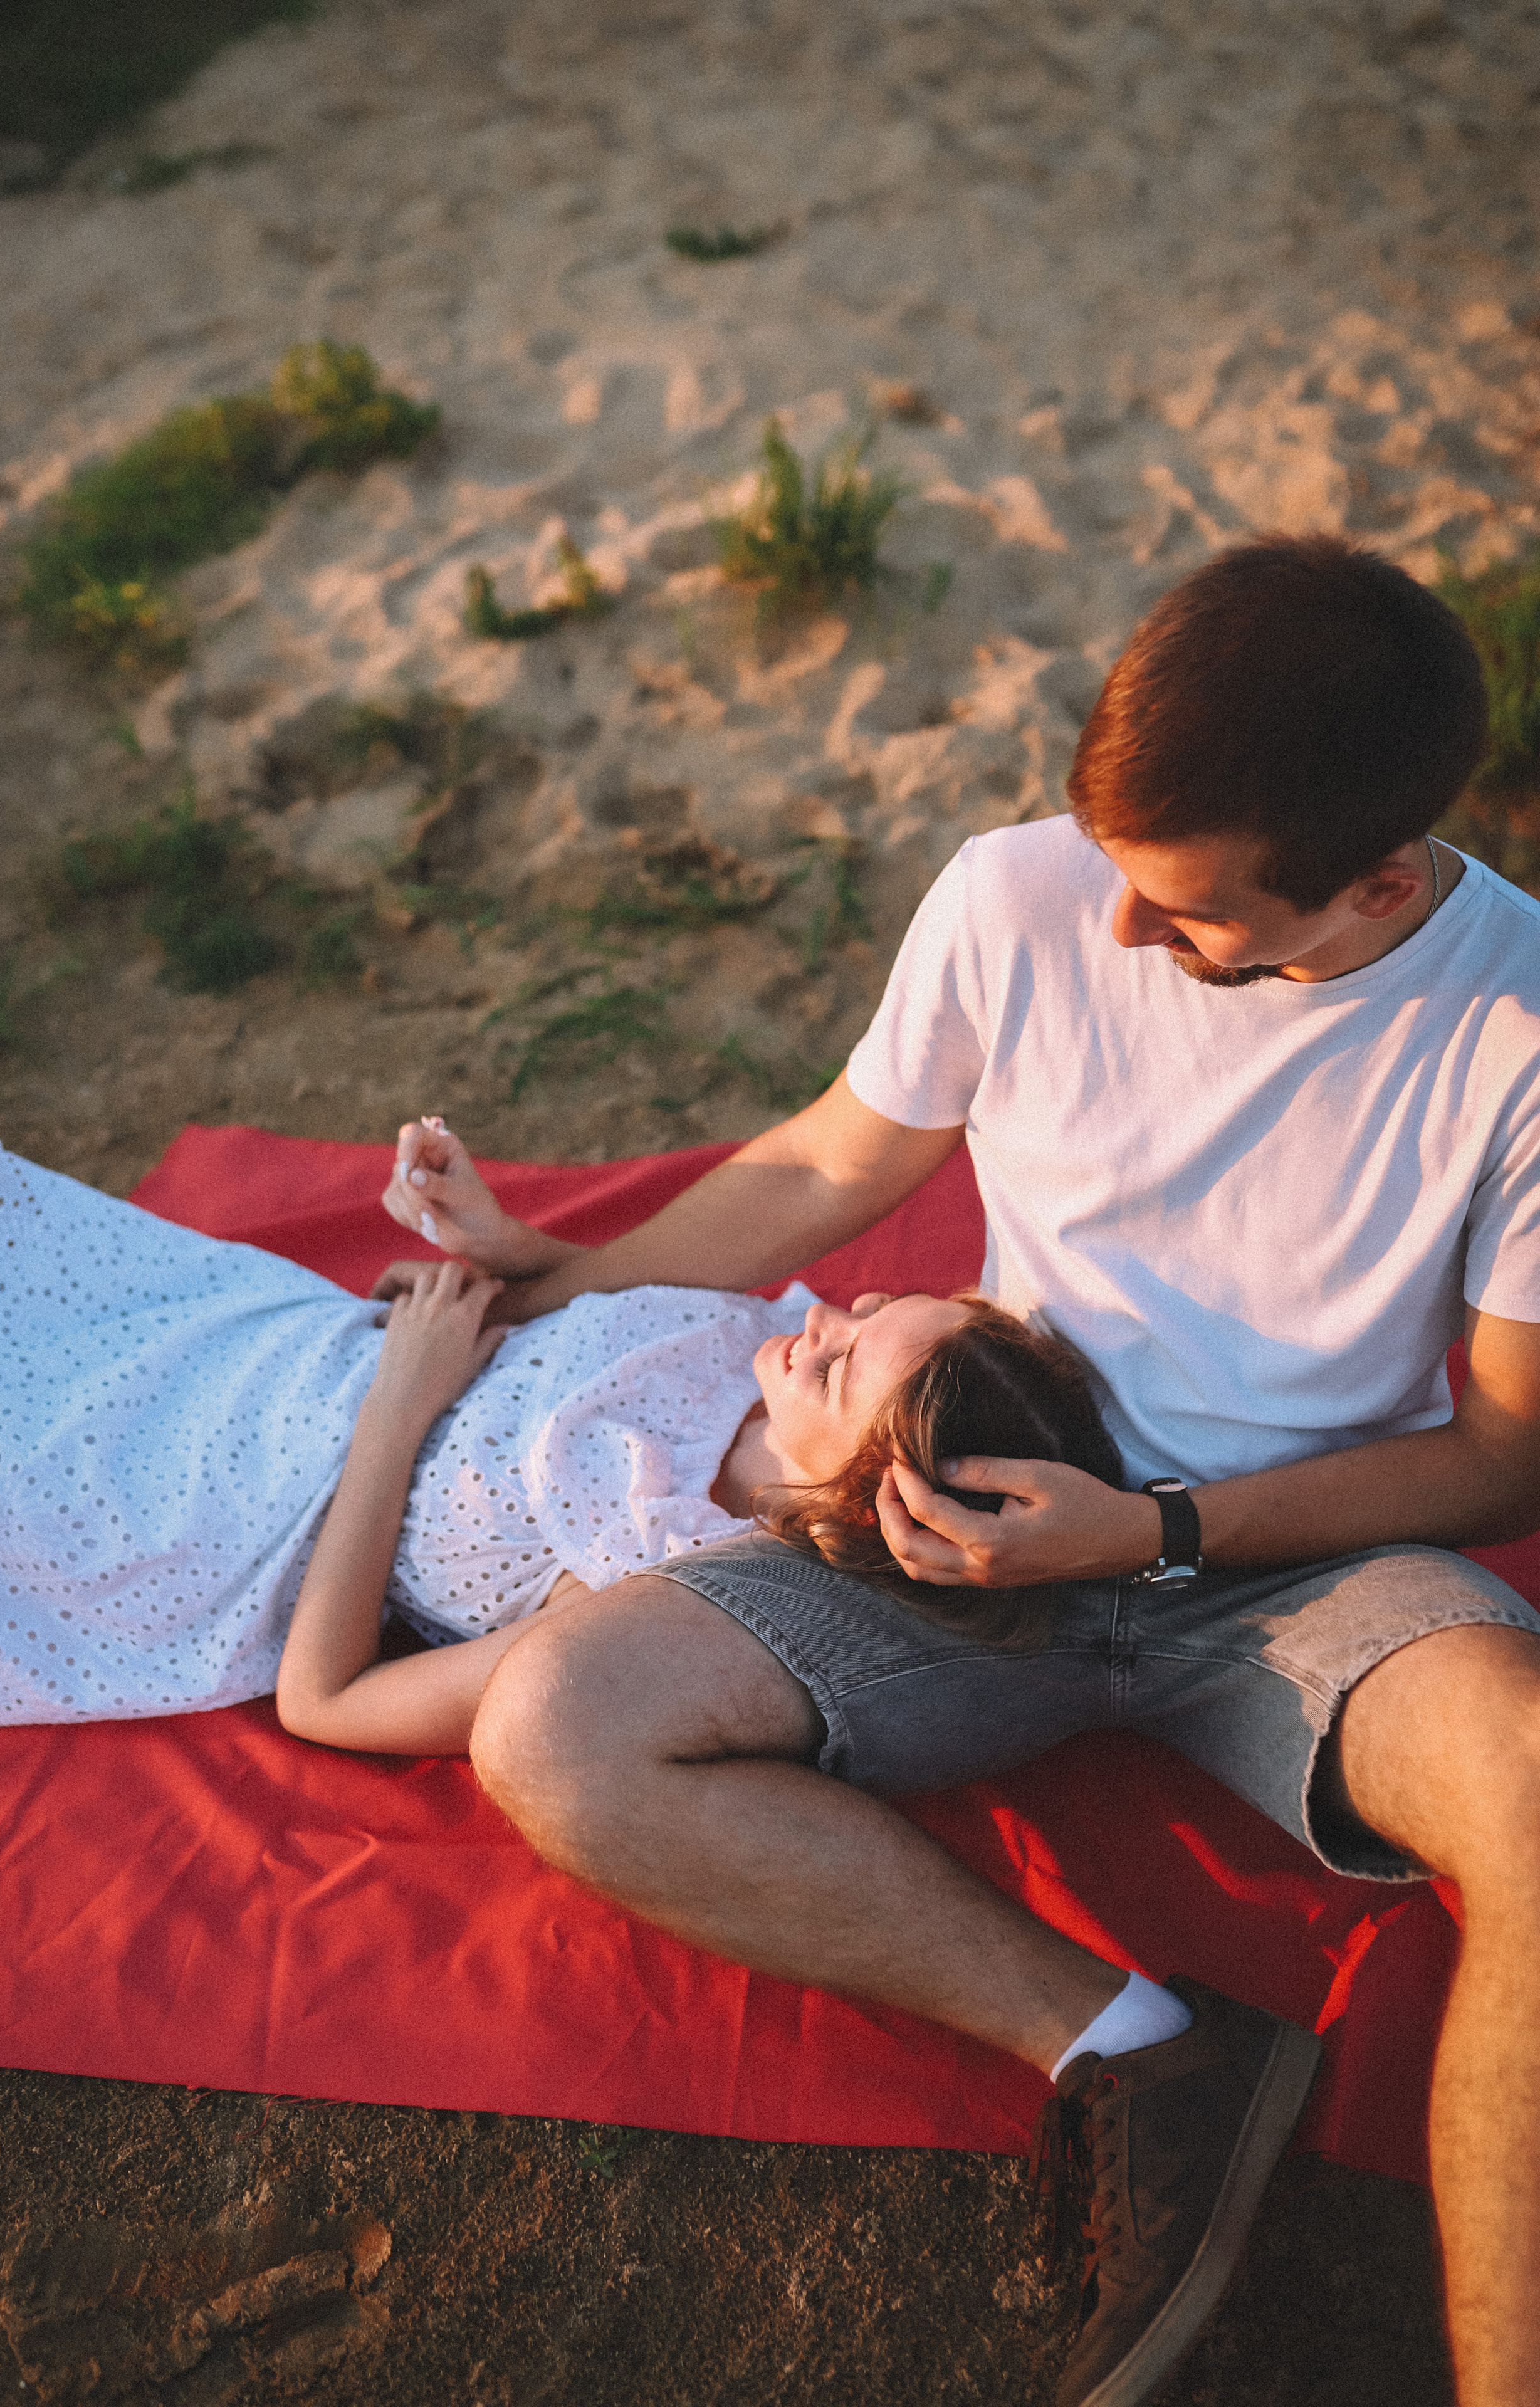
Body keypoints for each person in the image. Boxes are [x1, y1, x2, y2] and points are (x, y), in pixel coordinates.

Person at [389, 537, 1540, 2407]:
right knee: (561, 1730)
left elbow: (1503, 1455)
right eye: (1112, 876)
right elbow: (833, 1164)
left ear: (1382, 882)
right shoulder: (1021, 896)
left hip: (1295, 1567)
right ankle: (1141, 2054)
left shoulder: (1519, 1036)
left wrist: (1159, 1531)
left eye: (1184, 917)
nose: (1117, 937)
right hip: (965, 1508)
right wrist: (563, 1264)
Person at [0, 1121, 1111, 1743]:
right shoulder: (768, 1340)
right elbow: (606, 1303)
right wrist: (499, 1244)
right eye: (869, 1307)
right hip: (268, 1335)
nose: (830, 1317)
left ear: (871, 1497)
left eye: (849, 1359)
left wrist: (400, 1409)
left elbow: (327, 1701)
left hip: (213, 1506)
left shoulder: (654, 1591)